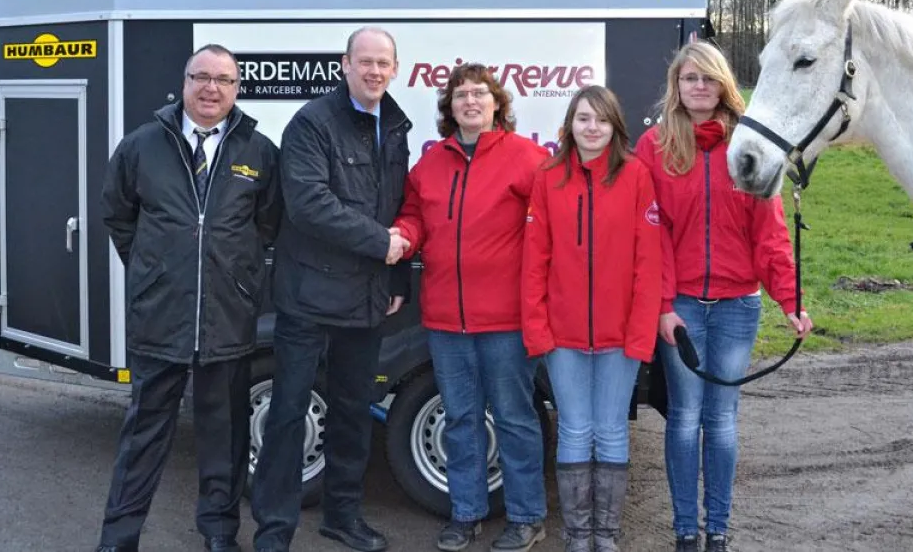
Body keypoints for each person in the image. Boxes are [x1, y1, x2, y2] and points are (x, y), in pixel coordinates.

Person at [95, 44, 282, 552]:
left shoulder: (259, 152)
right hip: (161, 317)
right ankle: (118, 537)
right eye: (202, 77)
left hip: (227, 318)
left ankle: (219, 533)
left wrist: (237, 278)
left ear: (237, 89)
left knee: (224, 435)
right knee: (144, 435)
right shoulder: (142, 146)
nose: (211, 89)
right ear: (184, 83)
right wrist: (155, 272)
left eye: (224, 80)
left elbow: (267, 227)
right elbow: (118, 216)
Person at [633, 42, 814, 552]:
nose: (699, 87)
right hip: (682, 307)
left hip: (738, 306)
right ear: (676, 85)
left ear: (723, 86)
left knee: (722, 421)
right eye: (689, 78)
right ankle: (685, 531)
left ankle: (718, 529)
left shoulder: (747, 145)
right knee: (684, 419)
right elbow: (651, 236)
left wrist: (790, 300)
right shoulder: (655, 146)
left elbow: (770, 235)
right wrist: (663, 307)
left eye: (708, 78)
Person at [251, 27, 412, 552]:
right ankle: (273, 529)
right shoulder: (312, 122)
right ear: (345, 64)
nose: (374, 71)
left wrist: (395, 274)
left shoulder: (394, 125)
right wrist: (381, 245)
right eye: (365, 61)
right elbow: (308, 204)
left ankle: (343, 517)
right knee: (288, 414)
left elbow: (394, 206)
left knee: (352, 413)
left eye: (383, 63)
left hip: (365, 298)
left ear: (395, 69)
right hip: (308, 297)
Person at [391, 63, 550, 552]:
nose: (471, 101)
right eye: (461, 95)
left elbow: (551, 227)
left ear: (497, 103)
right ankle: (465, 514)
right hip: (446, 321)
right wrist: (403, 237)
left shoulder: (528, 159)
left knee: (515, 420)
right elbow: (414, 217)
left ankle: (526, 518)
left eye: (480, 93)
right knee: (460, 421)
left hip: (506, 322)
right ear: (450, 107)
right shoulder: (430, 164)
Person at [521, 85, 662, 552]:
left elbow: (648, 264)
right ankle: (578, 537)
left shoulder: (636, 176)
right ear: (570, 125)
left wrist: (640, 335)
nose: (592, 128)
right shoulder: (548, 177)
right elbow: (535, 261)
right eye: (583, 118)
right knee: (575, 431)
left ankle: (607, 536)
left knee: (612, 431)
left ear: (615, 126)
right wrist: (537, 329)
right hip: (562, 338)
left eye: (601, 119)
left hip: (620, 338)